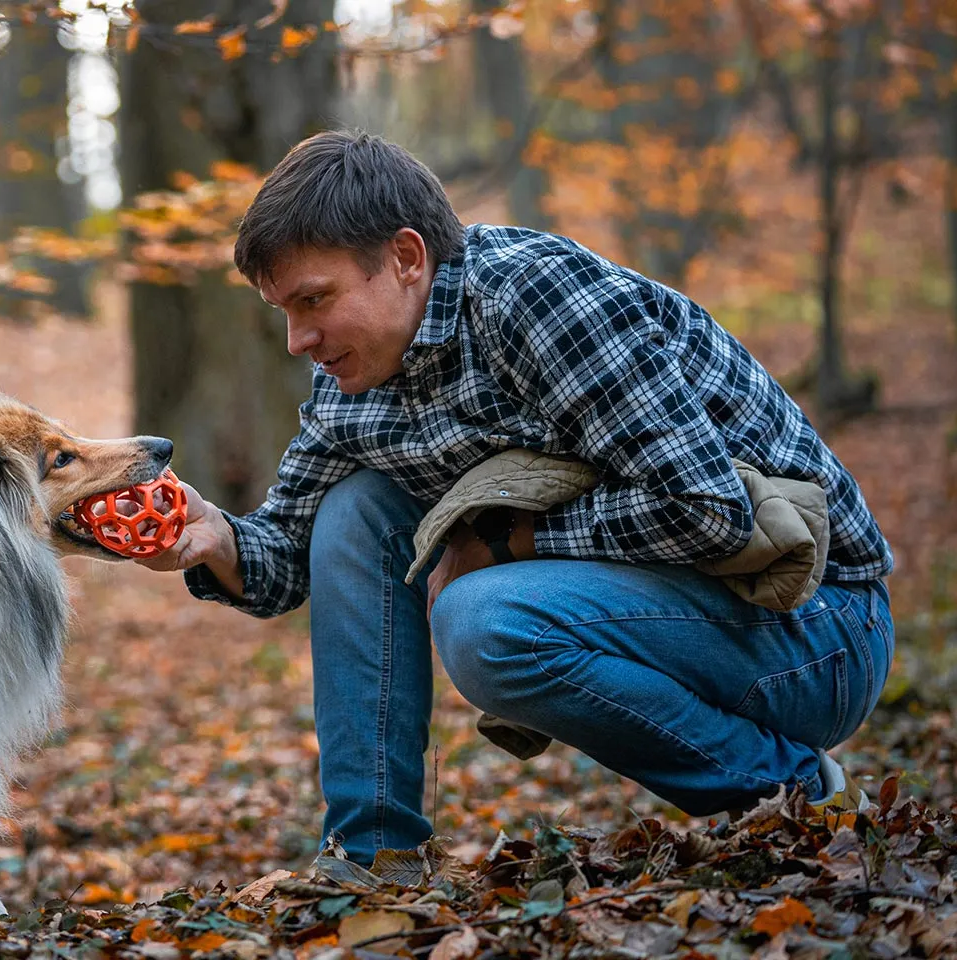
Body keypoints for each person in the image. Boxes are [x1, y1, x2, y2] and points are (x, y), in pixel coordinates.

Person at [139, 130, 895, 867]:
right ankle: (374, 857)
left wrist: (505, 546)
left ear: (406, 258)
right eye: (286, 313)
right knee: (356, 509)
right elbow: (290, 562)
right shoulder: (354, 376)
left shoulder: (535, 299)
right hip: (695, 617)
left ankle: (796, 794)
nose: (300, 338)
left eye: (315, 299)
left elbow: (707, 512)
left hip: (815, 628)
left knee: (485, 619)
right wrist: (218, 537)